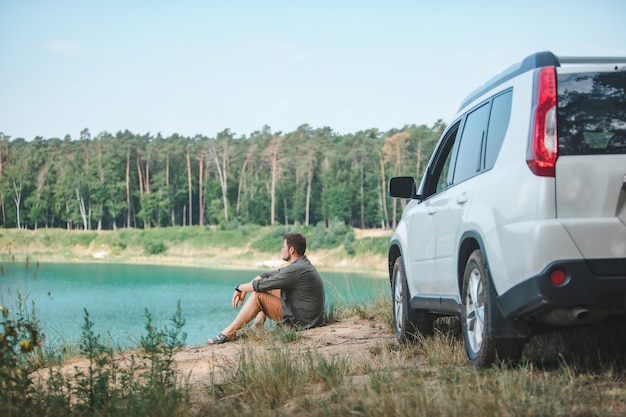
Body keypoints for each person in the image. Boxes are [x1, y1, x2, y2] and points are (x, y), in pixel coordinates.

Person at [207, 232, 325, 344]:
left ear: (291, 250)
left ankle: (229, 332)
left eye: (283, 247)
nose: (281, 250)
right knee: (266, 288)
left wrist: (239, 288)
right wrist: (248, 285)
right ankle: (258, 326)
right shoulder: (301, 265)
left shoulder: (296, 269)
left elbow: (263, 284)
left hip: (302, 322)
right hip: (307, 317)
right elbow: (268, 275)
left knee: (259, 295)